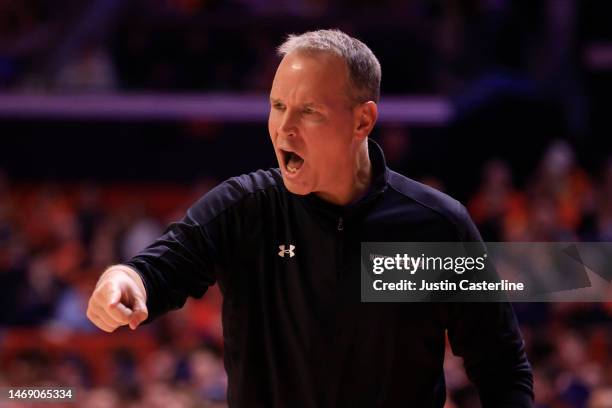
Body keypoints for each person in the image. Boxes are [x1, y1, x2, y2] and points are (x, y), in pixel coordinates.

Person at [87, 29, 533, 407]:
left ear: (363, 121)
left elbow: (501, 366)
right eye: (277, 106)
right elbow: (158, 269)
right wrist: (125, 278)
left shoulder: (437, 226)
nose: (284, 129)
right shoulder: (245, 208)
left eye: (309, 111)